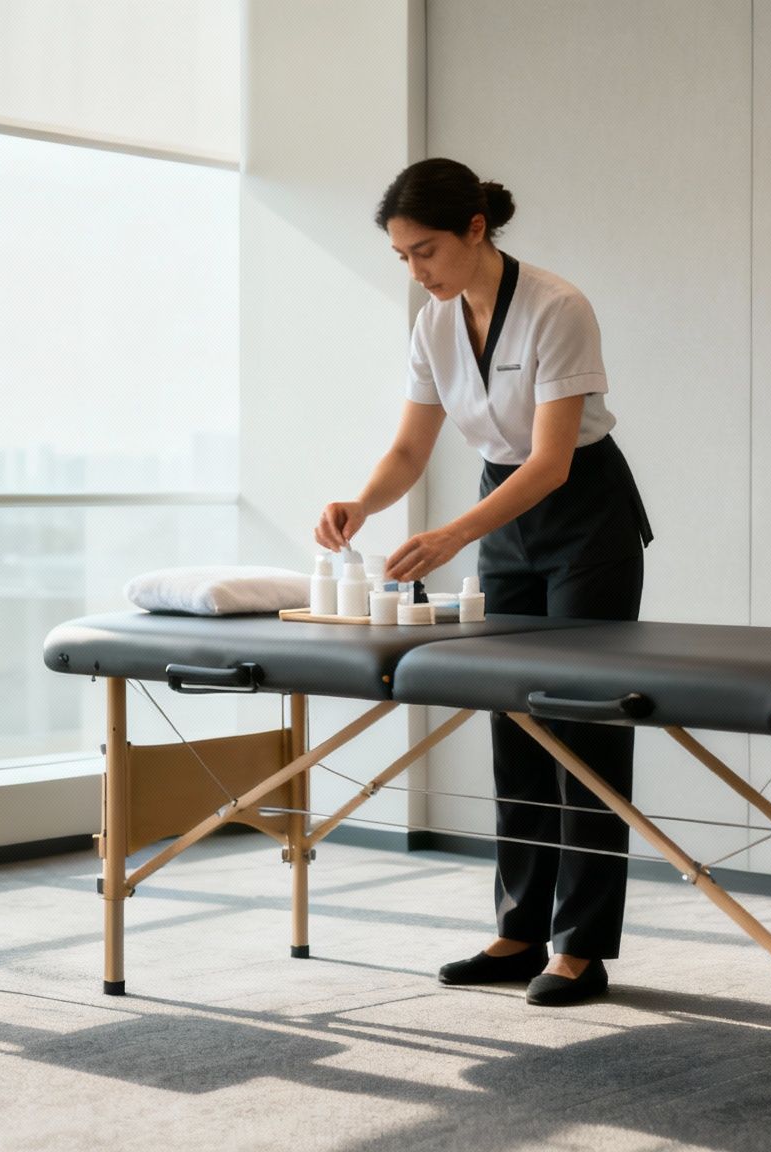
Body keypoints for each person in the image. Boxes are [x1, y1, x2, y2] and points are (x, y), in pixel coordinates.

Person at [314, 157, 652, 1006]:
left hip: (583, 516)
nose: (417, 270)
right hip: (503, 517)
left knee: (585, 733)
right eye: (402, 257)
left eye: (425, 250)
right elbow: (409, 450)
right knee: (516, 726)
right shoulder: (432, 326)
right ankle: (518, 931)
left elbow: (548, 461)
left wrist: (452, 536)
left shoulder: (557, 307)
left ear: (474, 228)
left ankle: (580, 947)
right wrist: (361, 503)